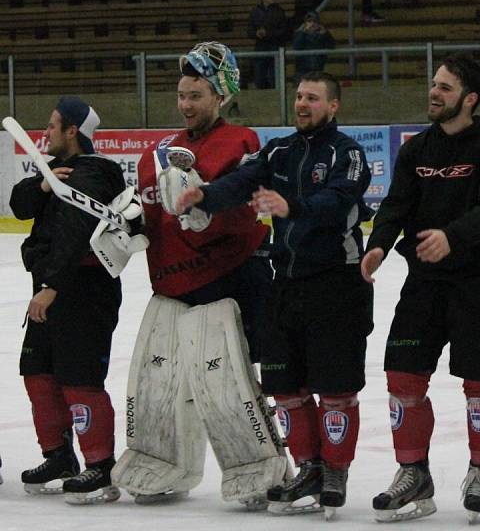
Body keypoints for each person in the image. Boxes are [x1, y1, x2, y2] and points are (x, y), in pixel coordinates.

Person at [174, 71, 374, 519]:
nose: (302, 104)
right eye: (299, 96)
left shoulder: (349, 153)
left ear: (333, 106)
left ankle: (335, 472)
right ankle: (308, 468)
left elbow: (340, 200)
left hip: (336, 284)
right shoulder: (279, 150)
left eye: (313, 98)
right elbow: (241, 182)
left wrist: (293, 207)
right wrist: (204, 195)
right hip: (284, 283)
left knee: (336, 390)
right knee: (286, 387)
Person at [113, 41, 278, 508]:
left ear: (220, 96)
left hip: (230, 280)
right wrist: (122, 225)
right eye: (182, 95)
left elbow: (245, 204)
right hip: (170, 285)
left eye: (196, 95)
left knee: (227, 383)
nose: (186, 104)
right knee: (157, 383)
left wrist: (208, 208)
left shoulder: (242, 141)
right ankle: (163, 461)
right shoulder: (156, 154)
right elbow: (144, 216)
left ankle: (256, 464)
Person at [363, 54, 480, 524]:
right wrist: (379, 245)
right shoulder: (416, 150)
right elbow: (396, 205)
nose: (434, 92)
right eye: (434, 84)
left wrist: (452, 237)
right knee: (402, 377)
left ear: (469, 99)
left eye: (445, 87)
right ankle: (413, 473)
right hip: (425, 284)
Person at [9, 97, 126, 504]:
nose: (46, 131)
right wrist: (43, 183)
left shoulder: (98, 174)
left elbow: (76, 233)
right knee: (37, 372)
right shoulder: (58, 172)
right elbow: (18, 205)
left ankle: (100, 465)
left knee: (80, 379)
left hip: (83, 292)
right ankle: (58, 457)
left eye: (53, 125)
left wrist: (52, 286)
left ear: (73, 130)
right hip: (50, 288)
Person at [248, 0, 288, 89]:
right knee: (260, 75)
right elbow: (249, 30)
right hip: (261, 47)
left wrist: (268, 33)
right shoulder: (255, 12)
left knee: (274, 75)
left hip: (275, 46)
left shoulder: (279, 11)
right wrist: (256, 33)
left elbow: (284, 30)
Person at [292, 10, 335, 80]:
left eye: (315, 21)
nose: (312, 24)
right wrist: (303, 33)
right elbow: (296, 47)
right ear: (305, 23)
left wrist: (326, 34)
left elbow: (332, 46)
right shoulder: (299, 34)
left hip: (318, 71)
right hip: (302, 72)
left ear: (319, 23)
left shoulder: (323, 35)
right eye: (309, 21)